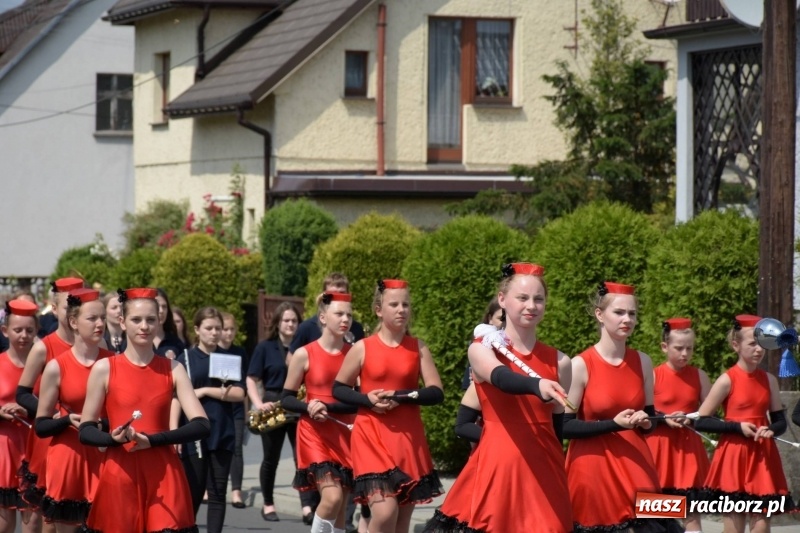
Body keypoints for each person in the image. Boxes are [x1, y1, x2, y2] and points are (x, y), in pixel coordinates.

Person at [424, 263, 572, 533]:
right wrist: (537, 385)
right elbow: (502, 378)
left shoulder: (561, 362)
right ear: (502, 300)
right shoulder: (481, 350)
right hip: (498, 464)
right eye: (522, 298)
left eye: (538, 299)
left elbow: (557, 427)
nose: (531, 305)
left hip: (545, 469)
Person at [77, 287, 210, 533]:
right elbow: (85, 430)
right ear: (122, 322)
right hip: (119, 472)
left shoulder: (173, 368)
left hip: (164, 472)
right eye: (136, 320)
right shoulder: (105, 368)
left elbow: (202, 424)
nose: (144, 326)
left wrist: (153, 440)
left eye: (150, 319)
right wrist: (112, 439)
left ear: (160, 320)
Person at [564, 281, 681, 533]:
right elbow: (563, 426)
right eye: (619, 312)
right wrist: (613, 425)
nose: (627, 319)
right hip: (593, 472)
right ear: (600, 314)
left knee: (657, 524)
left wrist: (649, 421)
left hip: (638, 466)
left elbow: (650, 417)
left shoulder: (643, 361)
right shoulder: (580, 364)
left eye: (632, 313)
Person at [333, 279, 444, 533]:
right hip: (370, 435)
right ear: (379, 309)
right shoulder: (362, 347)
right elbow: (338, 389)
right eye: (394, 304)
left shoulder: (419, 347)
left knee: (401, 521)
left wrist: (401, 396)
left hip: (408, 438)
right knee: (385, 512)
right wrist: (367, 399)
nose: (401, 309)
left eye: (405, 304)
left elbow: (436, 392)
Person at [695, 314, 793, 533]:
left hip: (762, 457)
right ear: (735, 345)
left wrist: (771, 429)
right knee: (734, 525)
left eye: (762, 344)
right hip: (734, 456)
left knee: (762, 525)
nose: (758, 349)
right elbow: (701, 420)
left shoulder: (769, 380)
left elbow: (780, 421)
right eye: (752, 344)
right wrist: (736, 427)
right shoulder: (727, 379)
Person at [289, 273, 366, 530]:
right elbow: (286, 399)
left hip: (345, 432)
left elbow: (358, 400)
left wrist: (329, 407)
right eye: (339, 314)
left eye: (349, 315)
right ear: (323, 317)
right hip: (314, 433)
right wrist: (308, 407)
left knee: (342, 507)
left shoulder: (355, 354)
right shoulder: (304, 354)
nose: (345, 320)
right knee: (331, 497)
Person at [34, 288, 111, 531]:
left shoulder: (114, 362)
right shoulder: (57, 366)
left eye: (103, 318)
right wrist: (67, 420)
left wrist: (104, 426)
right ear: (74, 322)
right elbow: (41, 426)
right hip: (69, 457)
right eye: (92, 319)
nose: (100, 324)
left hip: (104, 455)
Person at [16, 277, 83, 531]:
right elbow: (23, 393)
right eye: (68, 305)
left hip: (84, 438)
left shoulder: (100, 346)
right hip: (50, 439)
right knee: (46, 517)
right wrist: (54, 415)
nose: (74, 311)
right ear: (54, 309)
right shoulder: (44, 348)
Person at [176, 307, 245, 533]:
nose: (214, 333)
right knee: (193, 492)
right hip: (194, 433)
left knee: (217, 493)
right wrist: (173, 430)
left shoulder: (228, 358)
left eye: (218, 328)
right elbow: (175, 397)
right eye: (209, 328)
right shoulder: (185, 358)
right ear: (197, 330)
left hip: (222, 431)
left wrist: (206, 390)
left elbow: (239, 393)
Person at [645, 317, 711, 533]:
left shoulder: (699, 376)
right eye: (679, 348)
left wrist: (690, 418)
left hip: (688, 453)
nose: (684, 354)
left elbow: (710, 415)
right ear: (664, 347)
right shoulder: (653, 376)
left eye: (689, 349)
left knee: (691, 514)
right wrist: (664, 418)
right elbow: (643, 412)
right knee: (657, 515)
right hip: (659, 453)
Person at [246, 302, 304, 522]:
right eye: (286, 320)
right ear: (278, 323)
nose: (290, 324)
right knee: (271, 458)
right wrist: (259, 404)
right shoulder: (265, 347)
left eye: (294, 321)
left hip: (298, 405)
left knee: (303, 459)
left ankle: (307, 506)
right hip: (273, 406)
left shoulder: (304, 348)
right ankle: (268, 504)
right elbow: (251, 379)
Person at [0, 299, 39, 533]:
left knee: (32, 524)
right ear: (5, 331)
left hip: (35, 444)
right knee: (4, 524)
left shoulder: (45, 365)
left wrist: (30, 409)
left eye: (30, 330)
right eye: (17, 330)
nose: (24, 335)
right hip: (4, 446)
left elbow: (55, 405)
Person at [217, 311, 249, 510]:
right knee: (214, 448)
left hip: (236, 408)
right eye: (224, 330)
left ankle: (236, 490)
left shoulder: (240, 352)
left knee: (236, 449)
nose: (228, 334)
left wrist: (246, 412)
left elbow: (244, 383)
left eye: (231, 330)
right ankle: (208, 488)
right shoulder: (212, 352)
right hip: (216, 407)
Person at [154, 288, 184, 359]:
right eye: (157, 306)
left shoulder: (176, 343)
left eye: (164, 307)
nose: (161, 311)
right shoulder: (138, 340)